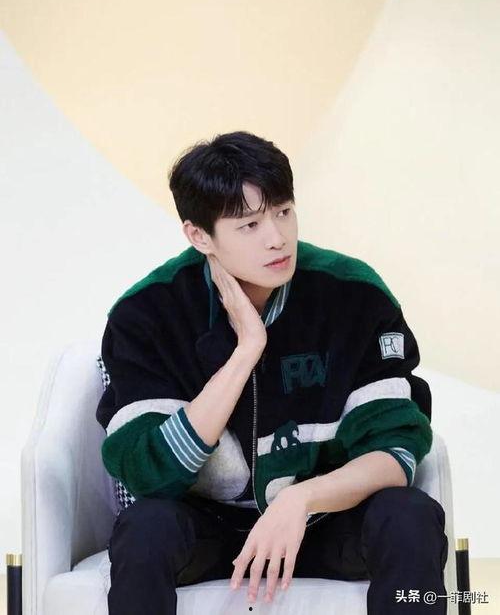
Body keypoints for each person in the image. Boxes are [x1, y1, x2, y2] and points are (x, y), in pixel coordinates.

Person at [96, 130, 449, 614]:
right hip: (210, 530)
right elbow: (148, 473)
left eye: (283, 212)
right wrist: (247, 350)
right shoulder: (148, 313)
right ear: (199, 236)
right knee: (146, 529)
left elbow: (396, 451)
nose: (277, 238)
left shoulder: (354, 294)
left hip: (325, 518)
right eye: (249, 225)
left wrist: (299, 501)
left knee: (408, 515)